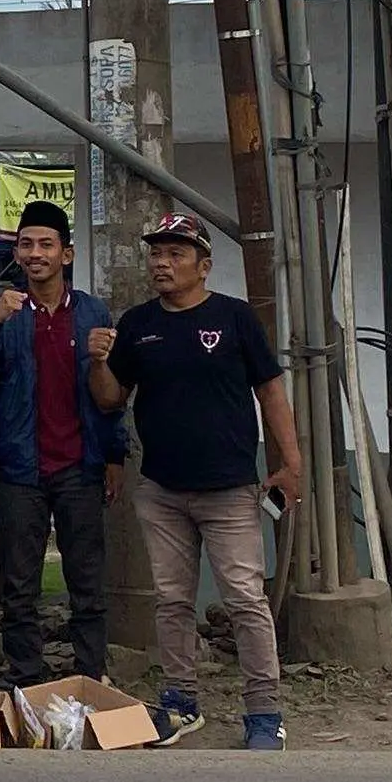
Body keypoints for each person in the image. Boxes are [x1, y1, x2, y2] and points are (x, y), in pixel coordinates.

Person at [88, 213, 299, 748]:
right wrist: (97, 362)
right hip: (161, 490)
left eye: (176, 253)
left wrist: (290, 463)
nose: (162, 262)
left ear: (203, 266)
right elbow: (111, 398)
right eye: (156, 253)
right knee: (173, 601)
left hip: (229, 488)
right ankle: (180, 703)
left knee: (245, 599)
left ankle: (264, 713)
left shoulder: (234, 318)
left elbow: (271, 390)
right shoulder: (137, 323)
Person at [0, 199, 130, 686]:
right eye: (26, 244)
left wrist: (115, 453)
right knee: (19, 584)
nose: (35, 254)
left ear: (66, 255)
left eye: (46, 245)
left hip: (80, 464)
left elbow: (113, 393)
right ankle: (27, 678)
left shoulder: (92, 311)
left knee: (86, 580)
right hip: (19, 468)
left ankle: (90, 676)